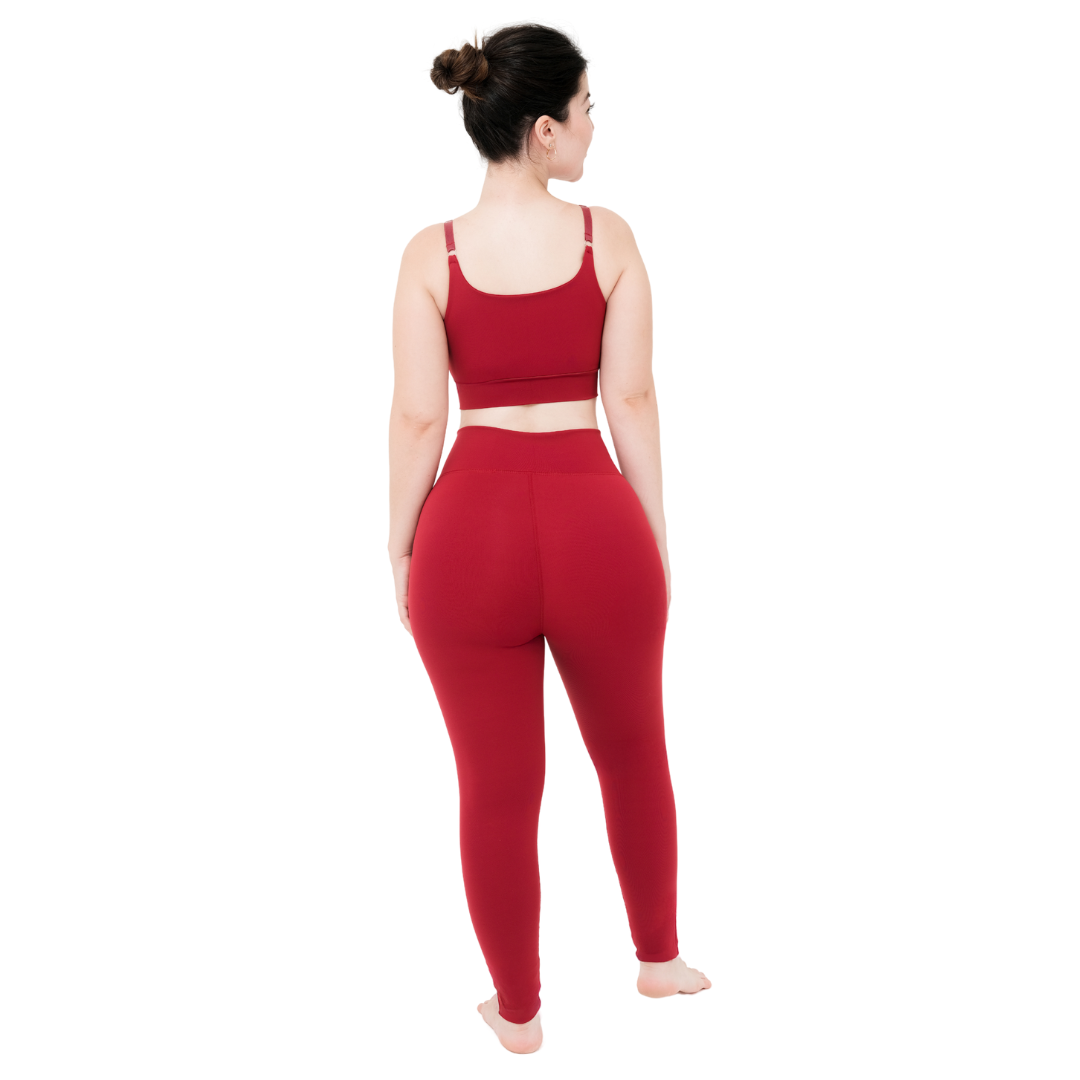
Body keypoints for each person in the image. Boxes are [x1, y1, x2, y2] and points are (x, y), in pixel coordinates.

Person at [387, 22, 710, 1055]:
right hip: (594, 527)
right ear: (542, 130)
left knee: (496, 790)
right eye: (584, 110)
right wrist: (653, 537)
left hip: (467, 538)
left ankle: (519, 1015)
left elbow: (419, 419)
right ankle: (657, 959)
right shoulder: (607, 239)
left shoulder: (429, 255)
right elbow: (634, 399)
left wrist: (400, 546)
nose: (592, 127)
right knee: (634, 752)